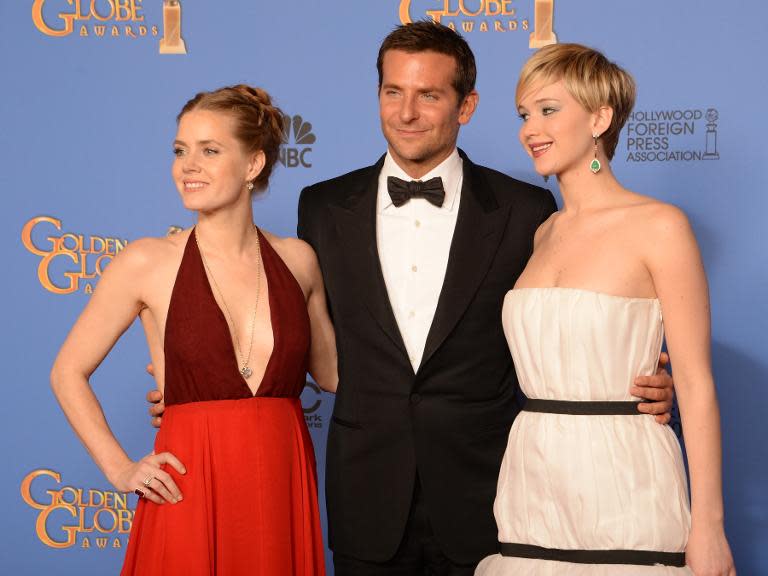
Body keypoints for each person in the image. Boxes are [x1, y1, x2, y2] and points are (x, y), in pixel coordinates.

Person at [294, 23, 674, 576]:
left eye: (429, 95)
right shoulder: (322, 207)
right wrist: (198, 384)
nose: (406, 113)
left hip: (493, 495)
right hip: (365, 494)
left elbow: (571, 323)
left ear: (466, 105)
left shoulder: (527, 210)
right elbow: (292, 321)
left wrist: (647, 377)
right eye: (393, 92)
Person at [50, 85, 336, 575]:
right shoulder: (146, 261)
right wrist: (121, 468)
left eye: (209, 150)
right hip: (188, 489)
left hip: (280, 485)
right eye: (180, 150)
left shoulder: (299, 260)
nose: (188, 166)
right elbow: (67, 372)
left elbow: (334, 376)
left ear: (253, 165)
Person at [475, 44, 735, 575]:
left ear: (600, 117)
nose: (530, 129)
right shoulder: (542, 231)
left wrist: (709, 527)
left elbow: (696, 385)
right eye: (524, 114)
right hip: (534, 482)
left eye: (549, 110)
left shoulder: (660, 226)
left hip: (625, 481)